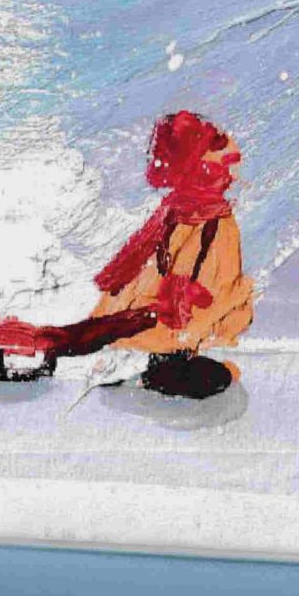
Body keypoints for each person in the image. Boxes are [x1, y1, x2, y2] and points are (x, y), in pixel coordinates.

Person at [87, 110, 252, 399]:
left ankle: (159, 363)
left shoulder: (194, 218)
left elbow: (211, 284)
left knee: (195, 363)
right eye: (224, 166)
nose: (234, 176)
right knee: (205, 372)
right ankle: (157, 364)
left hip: (180, 321)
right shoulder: (184, 218)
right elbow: (169, 275)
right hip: (170, 322)